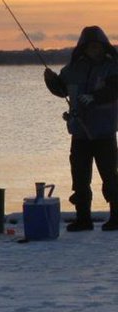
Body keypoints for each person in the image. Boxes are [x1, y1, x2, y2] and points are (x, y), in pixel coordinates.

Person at [44, 26, 118, 232]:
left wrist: (95, 97)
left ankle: (116, 217)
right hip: (79, 133)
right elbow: (61, 90)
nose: (94, 50)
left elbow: (114, 89)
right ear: (83, 48)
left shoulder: (113, 67)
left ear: (104, 47)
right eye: (90, 47)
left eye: (97, 47)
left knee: (111, 177)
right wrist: (51, 81)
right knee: (80, 178)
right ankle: (83, 219)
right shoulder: (73, 69)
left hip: (104, 132)